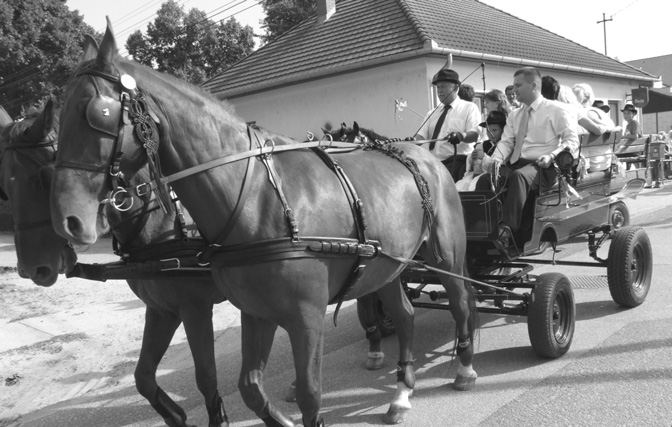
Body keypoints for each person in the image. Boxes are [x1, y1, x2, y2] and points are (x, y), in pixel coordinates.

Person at [489, 67, 579, 257]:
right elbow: (506, 142)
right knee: (487, 178)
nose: (514, 90)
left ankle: (506, 230)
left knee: (519, 177)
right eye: (513, 86)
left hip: (545, 166)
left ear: (534, 85)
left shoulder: (556, 110)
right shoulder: (515, 115)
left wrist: (552, 156)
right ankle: (483, 227)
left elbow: (572, 141)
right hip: (518, 163)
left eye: (518, 85)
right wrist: (495, 161)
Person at [415, 68, 481, 181]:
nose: (439, 91)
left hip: (458, 162)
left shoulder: (469, 108)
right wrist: (407, 142)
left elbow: (476, 134)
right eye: (438, 87)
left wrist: (461, 136)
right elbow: (420, 137)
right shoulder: (432, 113)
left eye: (443, 86)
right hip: (434, 163)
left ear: (455, 88)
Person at [572, 83, 619, 172]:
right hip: (604, 162)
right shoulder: (597, 112)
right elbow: (612, 129)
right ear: (590, 96)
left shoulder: (576, 114)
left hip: (588, 164)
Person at [456, 111, 507, 191]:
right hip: (478, 174)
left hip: (495, 177)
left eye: (494, 130)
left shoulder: (505, 146)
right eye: (488, 131)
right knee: (460, 187)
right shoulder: (483, 145)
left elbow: (499, 166)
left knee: (477, 184)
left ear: (503, 130)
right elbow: (473, 167)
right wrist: (472, 158)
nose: (491, 134)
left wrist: (483, 157)